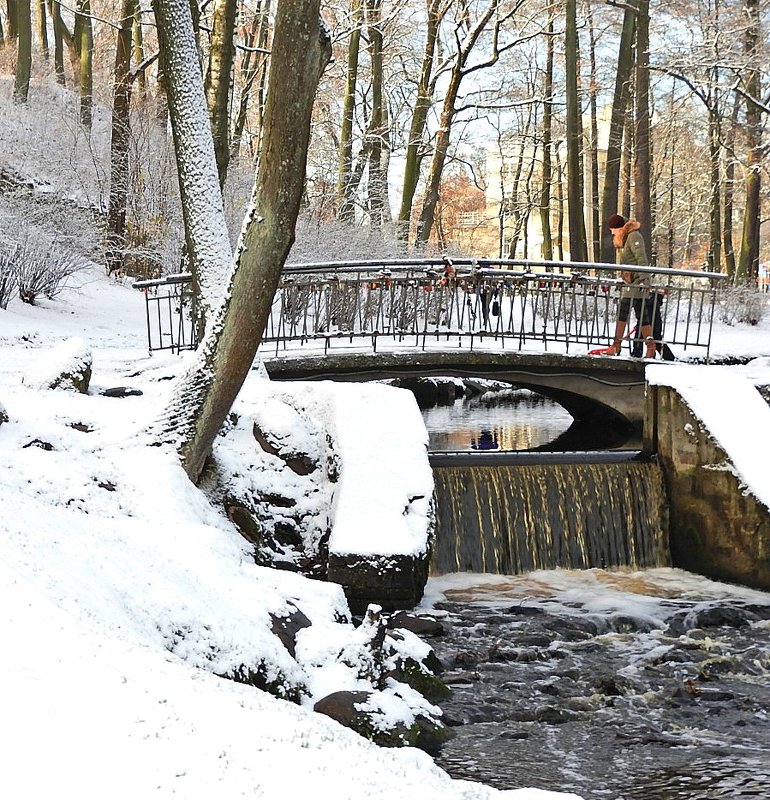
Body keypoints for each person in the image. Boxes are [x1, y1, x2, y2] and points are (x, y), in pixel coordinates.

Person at [606, 213, 656, 359]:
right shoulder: (624, 238)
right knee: (639, 314)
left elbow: (641, 258)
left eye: (613, 229)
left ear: (619, 227)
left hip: (636, 283)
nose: (612, 232)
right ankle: (648, 347)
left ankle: (620, 345)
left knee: (635, 314)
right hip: (630, 283)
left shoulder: (633, 236)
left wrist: (645, 279)